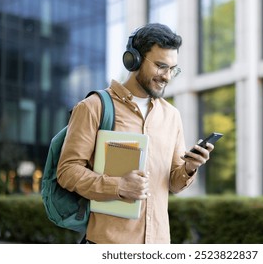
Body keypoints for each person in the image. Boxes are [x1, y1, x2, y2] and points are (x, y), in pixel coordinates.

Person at [57, 23, 214, 244]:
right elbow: (67, 171)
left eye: (172, 69)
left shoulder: (172, 116)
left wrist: (190, 167)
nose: (167, 76)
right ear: (134, 60)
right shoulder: (93, 107)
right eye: (161, 66)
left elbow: (174, 184)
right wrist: (118, 186)